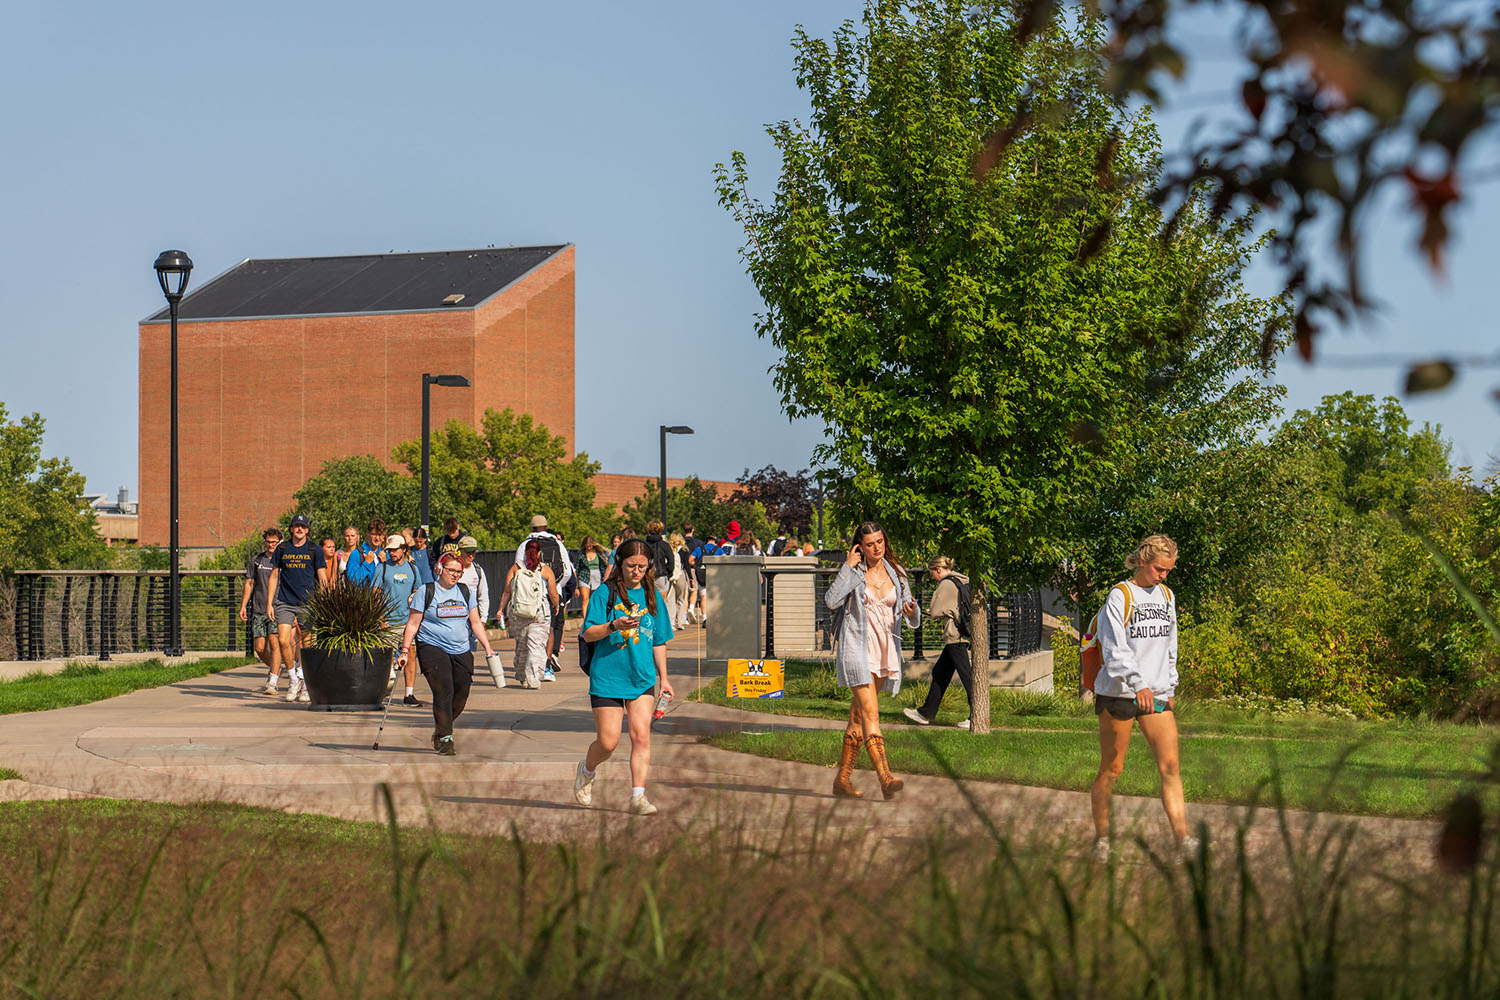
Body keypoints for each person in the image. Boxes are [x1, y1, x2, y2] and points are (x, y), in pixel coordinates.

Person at [1090, 534, 1193, 861]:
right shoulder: (1120, 596)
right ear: (1143, 561)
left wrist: (1169, 685)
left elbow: (1170, 643)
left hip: (1157, 692)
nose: (1163, 575)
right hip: (1119, 692)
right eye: (1159, 568)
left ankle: (1182, 841)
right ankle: (1102, 841)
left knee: (1171, 767)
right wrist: (1138, 684)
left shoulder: (1166, 595)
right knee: (1112, 768)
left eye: (1168, 570)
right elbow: (1113, 648)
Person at [574, 538, 675, 816]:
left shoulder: (653, 595)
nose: (637, 571)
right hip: (607, 676)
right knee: (608, 742)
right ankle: (586, 771)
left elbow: (659, 641)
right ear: (620, 563)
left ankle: (638, 796)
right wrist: (613, 625)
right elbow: (588, 633)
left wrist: (664, 678)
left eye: (642, 566)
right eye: (631, 565)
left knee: (641, 736)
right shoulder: (604, 593)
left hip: (641, 677)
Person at [824, 521, 919, 800]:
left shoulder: (897, 574)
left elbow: (911, 615)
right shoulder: (854, 573)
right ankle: (886, 778)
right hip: (857, 649)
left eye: (879, 541)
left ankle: (841, 781)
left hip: (884, 648)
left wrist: (912, 611)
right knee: (870, 713)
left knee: (857, 716)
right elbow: (831, 601)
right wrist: (847, 566)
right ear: (860, 548)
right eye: (869, 544)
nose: (876, 548)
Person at [396, 552, 499, 755]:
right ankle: (445, 738)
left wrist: (488, 647)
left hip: (461, 647)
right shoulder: (426, 591)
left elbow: (475, 622)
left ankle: (442, 726)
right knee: (444, 690)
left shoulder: (465, 591)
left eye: (459, 572)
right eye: (451, 570)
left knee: (461, 693)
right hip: (432, 646)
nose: (455, 575)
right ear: (440, 569)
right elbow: (413, 624)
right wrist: (405, 650)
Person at [902, 557, 974, 729]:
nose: (933, 577)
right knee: (940, 672)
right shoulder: (963, 579)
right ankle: (925, 713)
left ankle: (976, 716)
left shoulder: (946, 584)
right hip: (962, 632)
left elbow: (935, 611)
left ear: (938, 570)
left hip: (954, 634)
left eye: (932, 573)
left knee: (967, 677)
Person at [265, 514, 330, 703]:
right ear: (291, 529)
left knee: (307, 645)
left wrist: (325, 600)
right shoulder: (282, 549)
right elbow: (274, 576)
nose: (300, 529)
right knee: (284, 641)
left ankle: (306, 684)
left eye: (303, 526)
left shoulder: (314, 550)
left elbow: (322, 576)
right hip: (285, 602)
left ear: (307, 530)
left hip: (308, 602)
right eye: (296, 526)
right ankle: (293, 679)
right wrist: (270, 603)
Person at [514, 515, 573, 678]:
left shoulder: (524, 545)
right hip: (550, 594)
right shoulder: (558, 544)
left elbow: (518, 570)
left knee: (526, 631)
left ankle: (526, 667)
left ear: (532, 528)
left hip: (527, 596)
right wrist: (554, 586)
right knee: (550, 631)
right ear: (547, 527)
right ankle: (546, 667)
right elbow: (567, 572)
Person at [502, 538, 561, 688]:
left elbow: (507, 591)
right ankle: (534, 679)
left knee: (522, 645)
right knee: (537, 645)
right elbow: (553, 593)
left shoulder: (516, 568)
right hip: (539, 611)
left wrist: (500, 609)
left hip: (519, 612)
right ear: (539, 552)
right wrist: (556, 605)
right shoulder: (545, 570)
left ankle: (522, 676)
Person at [377, 534, 424, 706]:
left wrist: (415, 613)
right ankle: (382, 694)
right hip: (387, 621)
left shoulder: (412, 569)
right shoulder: (381, 568)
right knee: (386, 658)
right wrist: (380, 618)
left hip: (407, 621)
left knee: (410, 654)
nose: (392, 553)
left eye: (395, 550)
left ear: (404, 549)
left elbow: (418, 591)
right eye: (389, 550)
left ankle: (409, 694)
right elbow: (375, 593)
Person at [239, 527, 284, 695]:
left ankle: (272, 681)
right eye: (268, 541)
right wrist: (243, 605)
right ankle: (276, 668)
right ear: (265, 542)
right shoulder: (257, 560)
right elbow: (249, 583)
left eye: (274, 542)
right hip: (259, 608)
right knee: (259, 648)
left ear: (280, 542)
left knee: (274, 643)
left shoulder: (284, 561)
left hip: (277, 607)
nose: (271, 545)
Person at [644, 520, 679, 627]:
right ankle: (661, 623)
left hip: (647, 573)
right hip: (661, 574)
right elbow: (671, 561)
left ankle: (648, 621)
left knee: (647, 598)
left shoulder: (644, 544)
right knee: (662, 600)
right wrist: (668, 572)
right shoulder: (664, 545)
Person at [344, 519, 389, 587]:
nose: (377, 538)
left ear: (384, 536)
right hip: (363, 597)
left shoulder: (386, 555)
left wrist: (386, 565)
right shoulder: (356, 554)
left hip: (383, 597)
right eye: (374, 534)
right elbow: (352, 582)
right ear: (368, 533)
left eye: (380, 535)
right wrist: (366, 563)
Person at [575, 536, 608, 615]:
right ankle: (585, 620)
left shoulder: (599, 552)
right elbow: (577, 568)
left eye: (590, 545)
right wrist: (576, 585)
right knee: (585, 599)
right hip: (584, 576)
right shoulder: (581, 554)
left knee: (594, 598)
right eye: (587, 545)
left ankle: (593, 617)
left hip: (596, 576)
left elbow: (604, 566)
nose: (588, 547)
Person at [668, 532, 692, 630]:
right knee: (681, 598)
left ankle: (671, 623)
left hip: (671, 575)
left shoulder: (669, 549)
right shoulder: (684, 549)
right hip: (680, 574)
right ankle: (681, 622)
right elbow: (687, 565)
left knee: (671, 599)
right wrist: (690, 577)